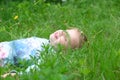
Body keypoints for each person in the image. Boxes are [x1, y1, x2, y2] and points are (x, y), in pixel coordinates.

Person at [0, 28, 87, 67]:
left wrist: (16, 75)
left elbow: (35, 69)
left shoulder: (49, 55)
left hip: (6, 57)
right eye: (64, 31)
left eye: (65, 38)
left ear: (65, 52)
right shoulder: (45, 42)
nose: (61, 33)